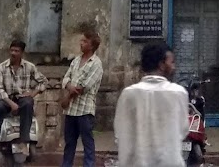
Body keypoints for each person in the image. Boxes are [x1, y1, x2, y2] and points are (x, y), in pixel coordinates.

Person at [114, 42, 188, 167]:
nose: (174, 67)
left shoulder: (128, 94)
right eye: (172, 62)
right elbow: (183, 130)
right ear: (161, 65)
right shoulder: (178, 93)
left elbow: (120, 132)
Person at [0, 40, 47, 156]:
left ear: (22, 53)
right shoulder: (2, 67)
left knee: (28, 104)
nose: (13, 53)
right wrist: (11, 103)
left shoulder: (30, 67)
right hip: (6, 98)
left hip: (22, 97)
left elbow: (44, 81)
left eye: (16, 51)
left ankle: (24, 141)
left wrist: (33, 93)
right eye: (12, 50)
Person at [61, 30, 105, 167]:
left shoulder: (96, 64)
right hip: (71, 110)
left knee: (87, 142)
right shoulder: (76, 60)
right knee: (69, 142)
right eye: (82, 40)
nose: (81, 43)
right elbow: (66, 78)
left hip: (85, 109)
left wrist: (67, 97)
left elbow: (84, 87)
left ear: (91, 46)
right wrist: (69, 86)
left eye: (85, 41)